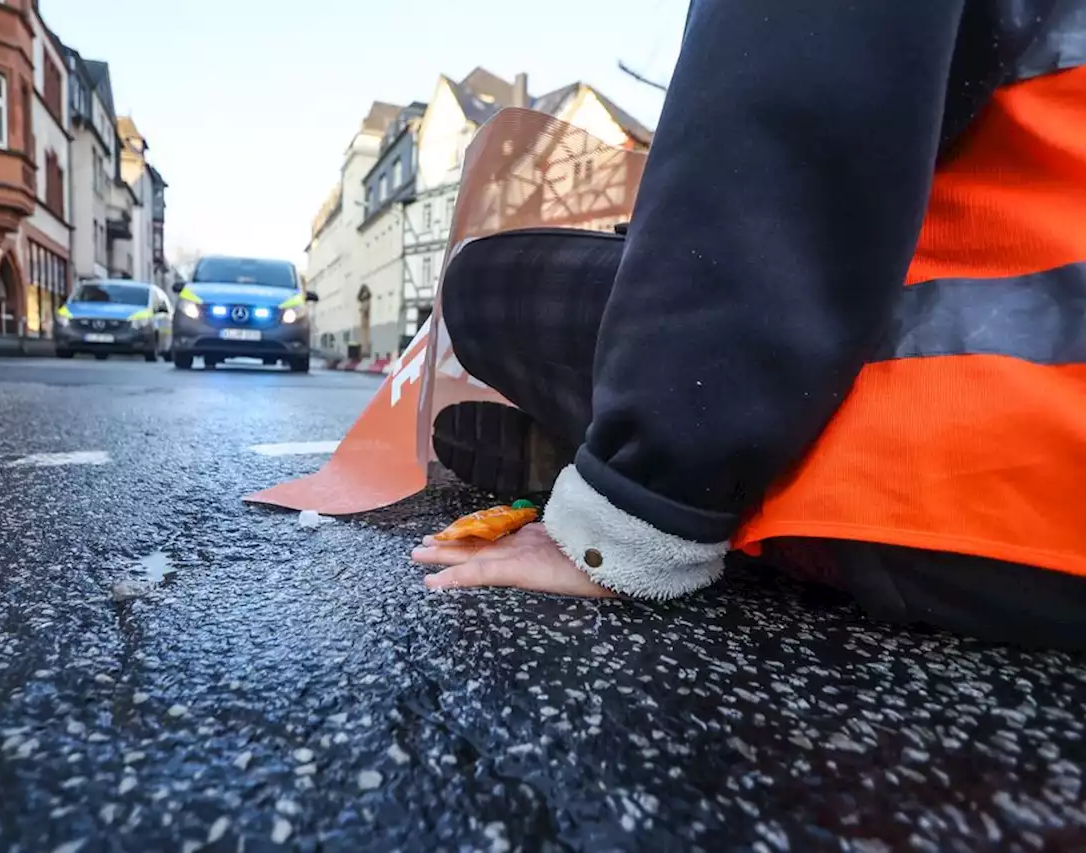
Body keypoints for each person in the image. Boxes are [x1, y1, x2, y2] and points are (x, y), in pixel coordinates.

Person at [412, 0, 1086, 651]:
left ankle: (627, 476)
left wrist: (630, 520)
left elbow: (794, 122)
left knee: (484, 283)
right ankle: (612, 457)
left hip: (984, 453)